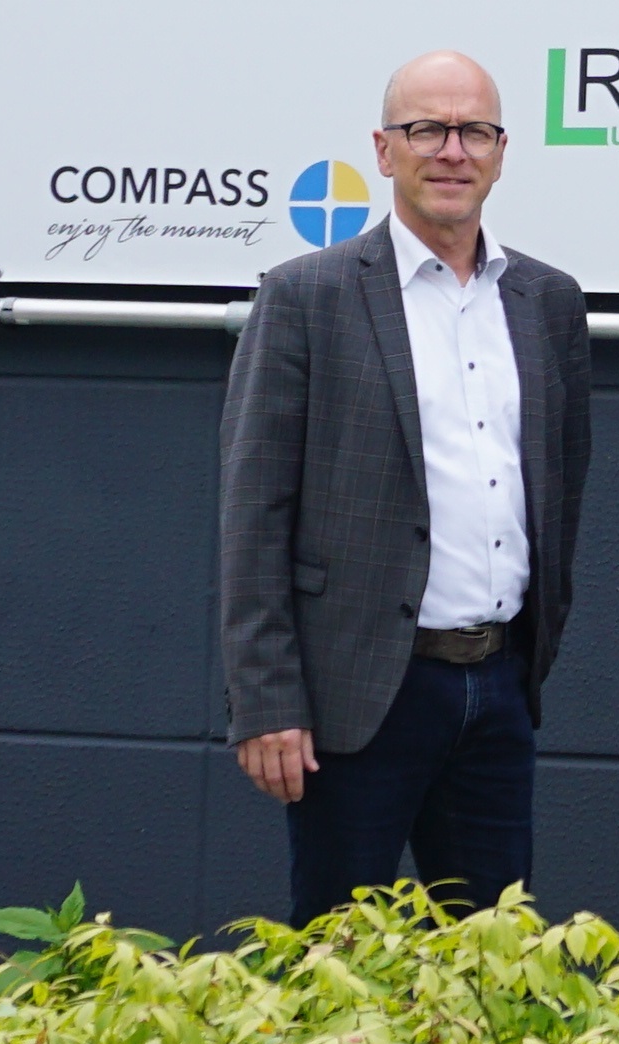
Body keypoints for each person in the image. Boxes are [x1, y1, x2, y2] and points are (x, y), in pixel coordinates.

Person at [217, 50, 595, 918]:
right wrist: (266, 700)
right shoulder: (305, 297)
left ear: (502, 151)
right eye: (427, 128)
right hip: (356, 700)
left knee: (493, 964)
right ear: (385, 151)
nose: (452, 151)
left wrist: (534, 652)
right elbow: (253, 511)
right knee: (333, 965)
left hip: (497, 692)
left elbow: (562, 487)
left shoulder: (548, 302)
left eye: (474, 131)